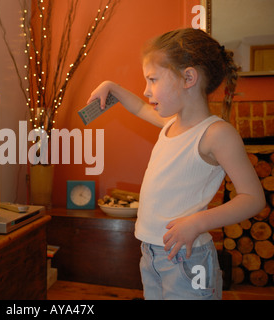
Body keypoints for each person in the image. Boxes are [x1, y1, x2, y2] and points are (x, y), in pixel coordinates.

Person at [88, 28, 265, 300]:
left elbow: (253, 198)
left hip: (187, 256)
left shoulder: (216, 134)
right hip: (152, 252)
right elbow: (137, 107)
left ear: (188, 78)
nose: (146, 90)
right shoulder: (171, 124)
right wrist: (111, 86)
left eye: (153, 79)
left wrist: (196, 223)